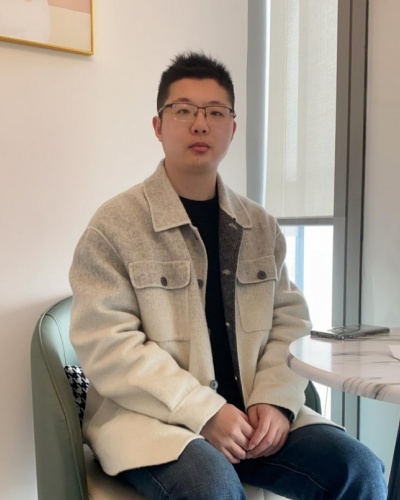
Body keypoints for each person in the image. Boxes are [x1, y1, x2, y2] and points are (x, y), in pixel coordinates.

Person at [69, 51, 387, 499]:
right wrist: (204, 412)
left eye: (216, 112)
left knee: (360, 469)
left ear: (232, 129)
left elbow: (290, 323)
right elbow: (109, 346)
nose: (200, 124)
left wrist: (275, 401)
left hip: (253, 418)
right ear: (158, 126)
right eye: (183, 110)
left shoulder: (260, 226)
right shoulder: (115, 226)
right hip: (156, 424)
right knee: (211, 487)